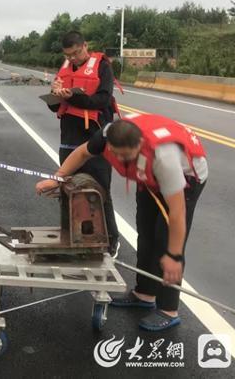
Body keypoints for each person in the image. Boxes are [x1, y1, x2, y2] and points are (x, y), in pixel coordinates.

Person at [35, 112, 208, 331]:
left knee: (165, 240)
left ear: (140, 145)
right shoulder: (108, 134)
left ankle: (168, 309)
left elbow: (177, 213)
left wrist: (174, 256)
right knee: (145, 234)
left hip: (187, 179)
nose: (123, 161)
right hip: (148, 177)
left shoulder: (164, 158)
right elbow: (81, 153)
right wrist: (56, 178)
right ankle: (145, 294)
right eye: (118, 155)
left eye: (128, 156)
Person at [47, 31, 119, 255]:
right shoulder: (65, 69)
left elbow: (102, 100)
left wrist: (72, 96)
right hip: (68, 141)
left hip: (96, 142)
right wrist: (55, 94)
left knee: (100, 192)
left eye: (77, 53)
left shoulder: (102, 67)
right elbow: (54, 107)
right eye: (69, 56)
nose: (74, 58)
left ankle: (109, 242)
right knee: (67, 189)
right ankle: (72, 237)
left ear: (85, 45)